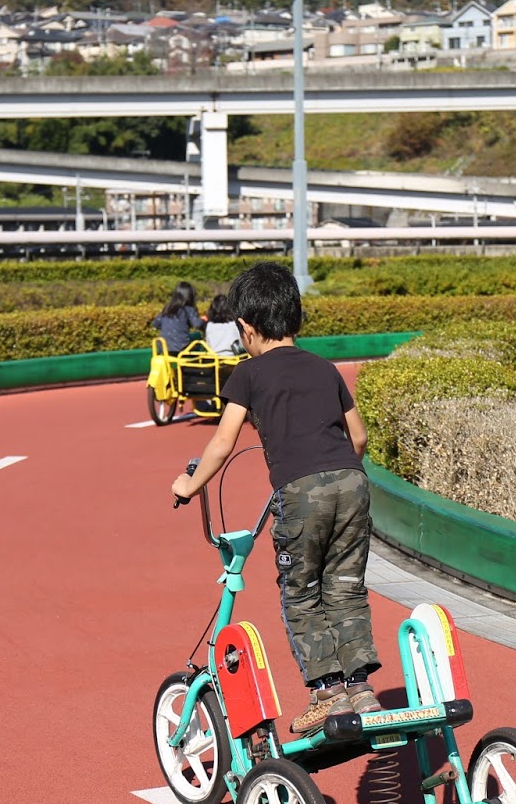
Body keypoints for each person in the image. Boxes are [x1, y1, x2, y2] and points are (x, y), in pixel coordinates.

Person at [171, 262, 382, 736]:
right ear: (296, 319)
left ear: (245, 328)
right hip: (351, 483)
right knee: (345, 584)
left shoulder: (249, 375)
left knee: (301, 590)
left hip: (301, 491)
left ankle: (327, 694)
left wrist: (188, 486)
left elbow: (223, 443)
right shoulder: (325, 368)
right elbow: (360, 437)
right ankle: (362, 690)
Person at [150, 281, 204, 353]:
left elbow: (155, 324)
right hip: (181, 349)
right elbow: (197, 324)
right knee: (198, 345)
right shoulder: (188, 309)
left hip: (164, 349)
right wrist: (204, 320)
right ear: (190, 296)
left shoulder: (167, 309)